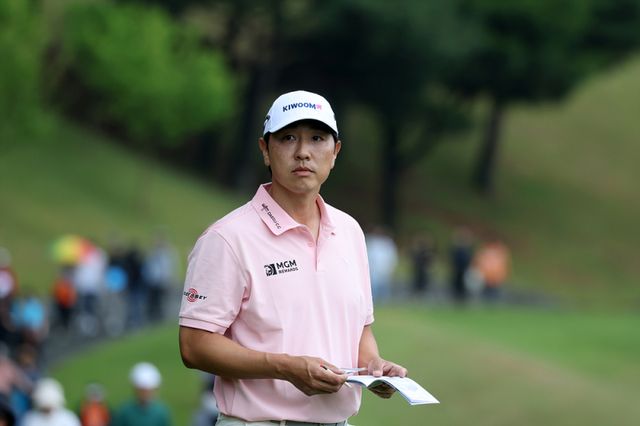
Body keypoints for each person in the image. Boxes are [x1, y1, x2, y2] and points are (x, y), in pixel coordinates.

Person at [178, 90, 407, 425]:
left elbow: (360, 329)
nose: (303, 152)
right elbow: (194, 346)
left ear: (335, 152)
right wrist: (285, 367)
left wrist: (372, 365)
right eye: (288, 138)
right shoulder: (228, 238)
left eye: (317, 138)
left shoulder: (350, 231)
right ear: (265, 150)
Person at [112, 362, 171, 426]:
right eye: (142, 390)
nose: (146, 393)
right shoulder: (124, 412)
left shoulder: (161, 412)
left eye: (148, 390)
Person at [365, 226, 398, 303]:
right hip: (374, 269)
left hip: (385, 269)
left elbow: (391, 256)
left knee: (384, 288)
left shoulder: (387, 243)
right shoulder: (371, 242)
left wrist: (391, 267)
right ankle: (373, 301)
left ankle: (384, 302)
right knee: (374, 288)